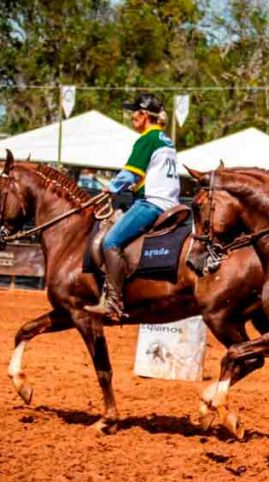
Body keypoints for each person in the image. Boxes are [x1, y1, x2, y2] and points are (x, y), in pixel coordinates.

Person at [85, 93, 180, 321]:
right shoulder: (167, 141)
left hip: (151, 203)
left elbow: (130, 173)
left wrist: (111, 188)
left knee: (111, 241)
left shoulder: (147, 139)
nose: (131, 117)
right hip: (170, 204)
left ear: (144, 115)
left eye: (134, 113)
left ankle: (113, 303)